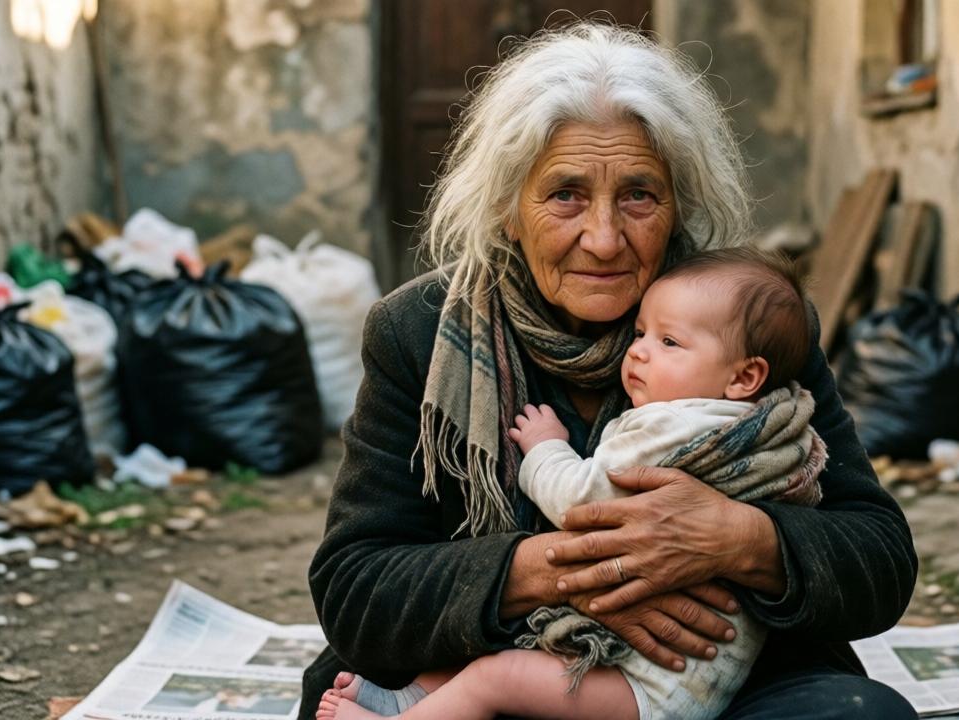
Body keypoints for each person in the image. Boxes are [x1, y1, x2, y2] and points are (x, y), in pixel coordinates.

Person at [301, 21, 918, 720]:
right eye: (565, 194)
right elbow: (356, 588)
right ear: (507, 209)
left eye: (638, 196)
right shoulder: (418, 331)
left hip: (704, 690)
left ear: (678, 204)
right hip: (507, 675)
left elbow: (879, 560)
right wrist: (551, 570)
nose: (603, 239)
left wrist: (736, 539)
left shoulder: (745, 322)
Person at [317, 249, 829, 720]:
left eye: (668, 342)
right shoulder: (767, 414)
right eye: (641, 333)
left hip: (651, 684)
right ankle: (408, 702)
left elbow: (580, 502)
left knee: (498, 677)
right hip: (663, 670)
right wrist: (535, 574)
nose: (640, 353)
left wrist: (544, 448)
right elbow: (355, 579)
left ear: (745, 377)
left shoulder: (678, 420)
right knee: (480, 651)